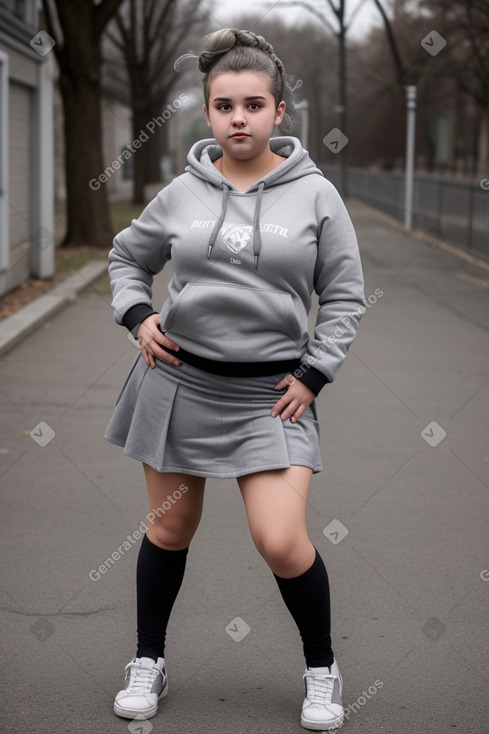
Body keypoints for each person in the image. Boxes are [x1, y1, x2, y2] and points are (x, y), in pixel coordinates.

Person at [104, 27, 365, 731]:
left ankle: (321, 670)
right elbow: (126, 257)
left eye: (254, 104)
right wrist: (137, 315)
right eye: (224, 105)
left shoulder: (316, 197)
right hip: (178, 383)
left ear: (280, 112)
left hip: (270, 397)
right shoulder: (181, 193)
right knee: (168, 530)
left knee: (280, 540)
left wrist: (314, 373)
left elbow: (343, 295)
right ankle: (148, 661)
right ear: (209, 111)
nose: (238, 117)